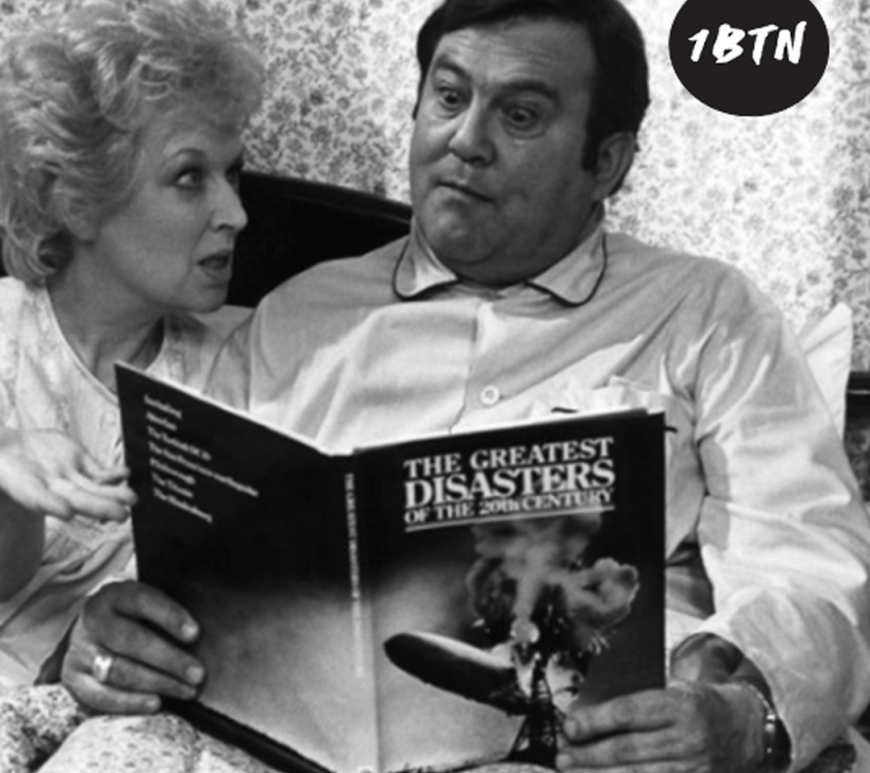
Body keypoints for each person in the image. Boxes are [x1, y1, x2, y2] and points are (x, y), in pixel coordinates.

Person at [62, 0, 870, 771]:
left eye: (520, 115)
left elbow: (807, 559)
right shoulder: (298, 316)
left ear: (608, 163)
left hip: (577, 746)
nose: (466, 141)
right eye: (448, 97)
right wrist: (113, 636)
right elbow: (182, 552)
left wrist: (744, 714)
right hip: (273, 737)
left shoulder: (708, 314)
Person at [0, 0, 264, 691]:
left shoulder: (238, 371)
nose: (237, 214)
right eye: (190, 177)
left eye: (233, 173)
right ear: (76, 199)